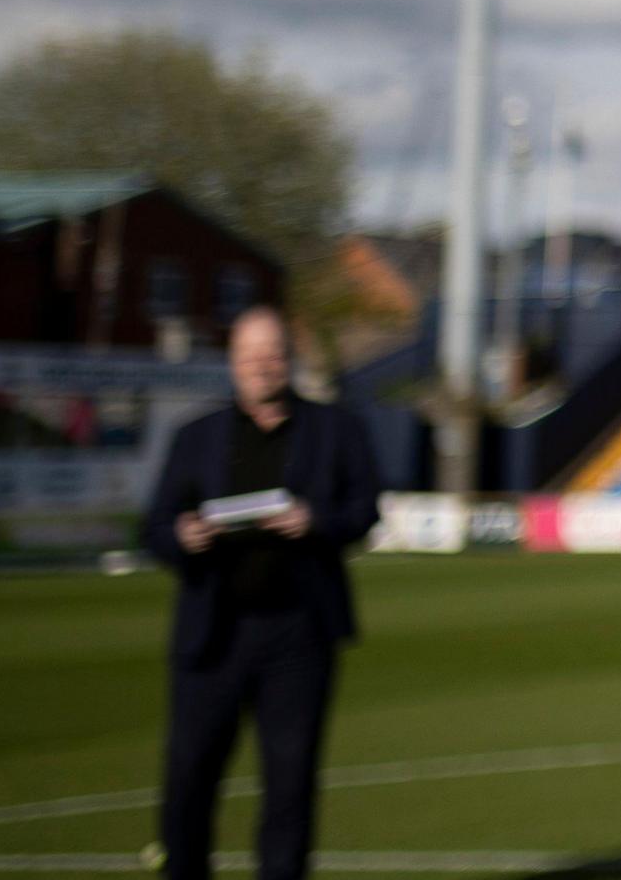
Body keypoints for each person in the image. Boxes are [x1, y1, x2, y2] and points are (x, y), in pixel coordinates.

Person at [142, 305, 383, 880]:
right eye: (251, 357)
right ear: (232, 363)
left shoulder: (336, 429)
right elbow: (154, 525)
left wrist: (315, 521)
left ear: (290, 359)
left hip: (299, 633)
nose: (262, 367)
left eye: (273, 355)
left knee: (290, 783)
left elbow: (364, 510)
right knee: (190, 778)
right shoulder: (195, 437)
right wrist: (181, 534)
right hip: (214, 632)